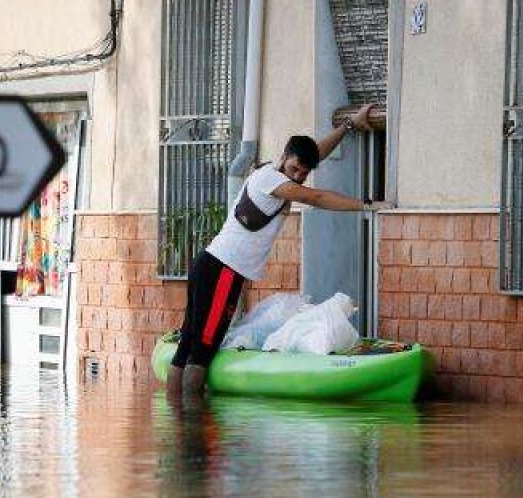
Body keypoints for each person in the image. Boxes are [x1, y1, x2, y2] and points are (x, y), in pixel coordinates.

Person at [166, 103, 392, 398]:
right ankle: (191, 430)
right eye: (294, 169)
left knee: (190, 344)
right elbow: (317, 196)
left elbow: (316, 154)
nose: (298, 176)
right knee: (202, 347)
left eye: (303, 172)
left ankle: (178, 426)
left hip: (212, 264)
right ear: (283, 157)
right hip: (222, 269)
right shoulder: (271, 181)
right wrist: (367, 205)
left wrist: (349, 126)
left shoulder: (275, 172)